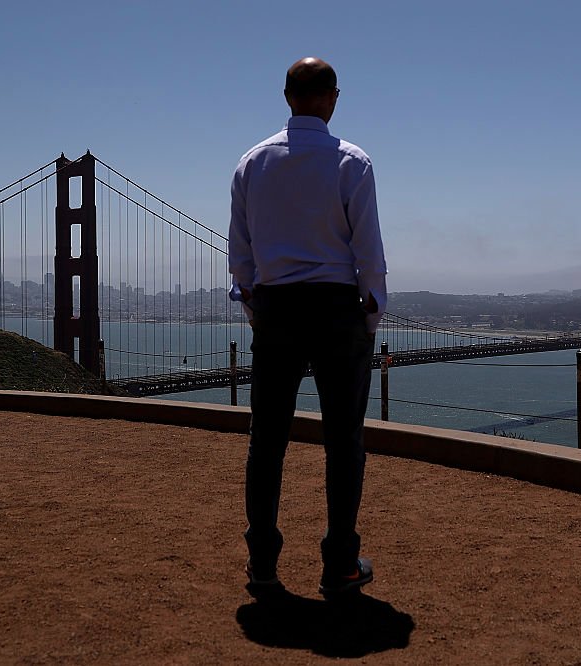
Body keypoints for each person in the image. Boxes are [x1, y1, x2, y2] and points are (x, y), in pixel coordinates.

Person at [228, 57, 388, 598]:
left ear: (286, 96)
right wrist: (368, 318)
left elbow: (241, 259)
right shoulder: (352, 162)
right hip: (338, 313)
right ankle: (340, 564)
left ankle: (263, 565)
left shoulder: (252, 164)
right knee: (344, 443)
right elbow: (369, 252)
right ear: (333, 98)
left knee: (266, 441)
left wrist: (260, 311)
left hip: (275, 311)